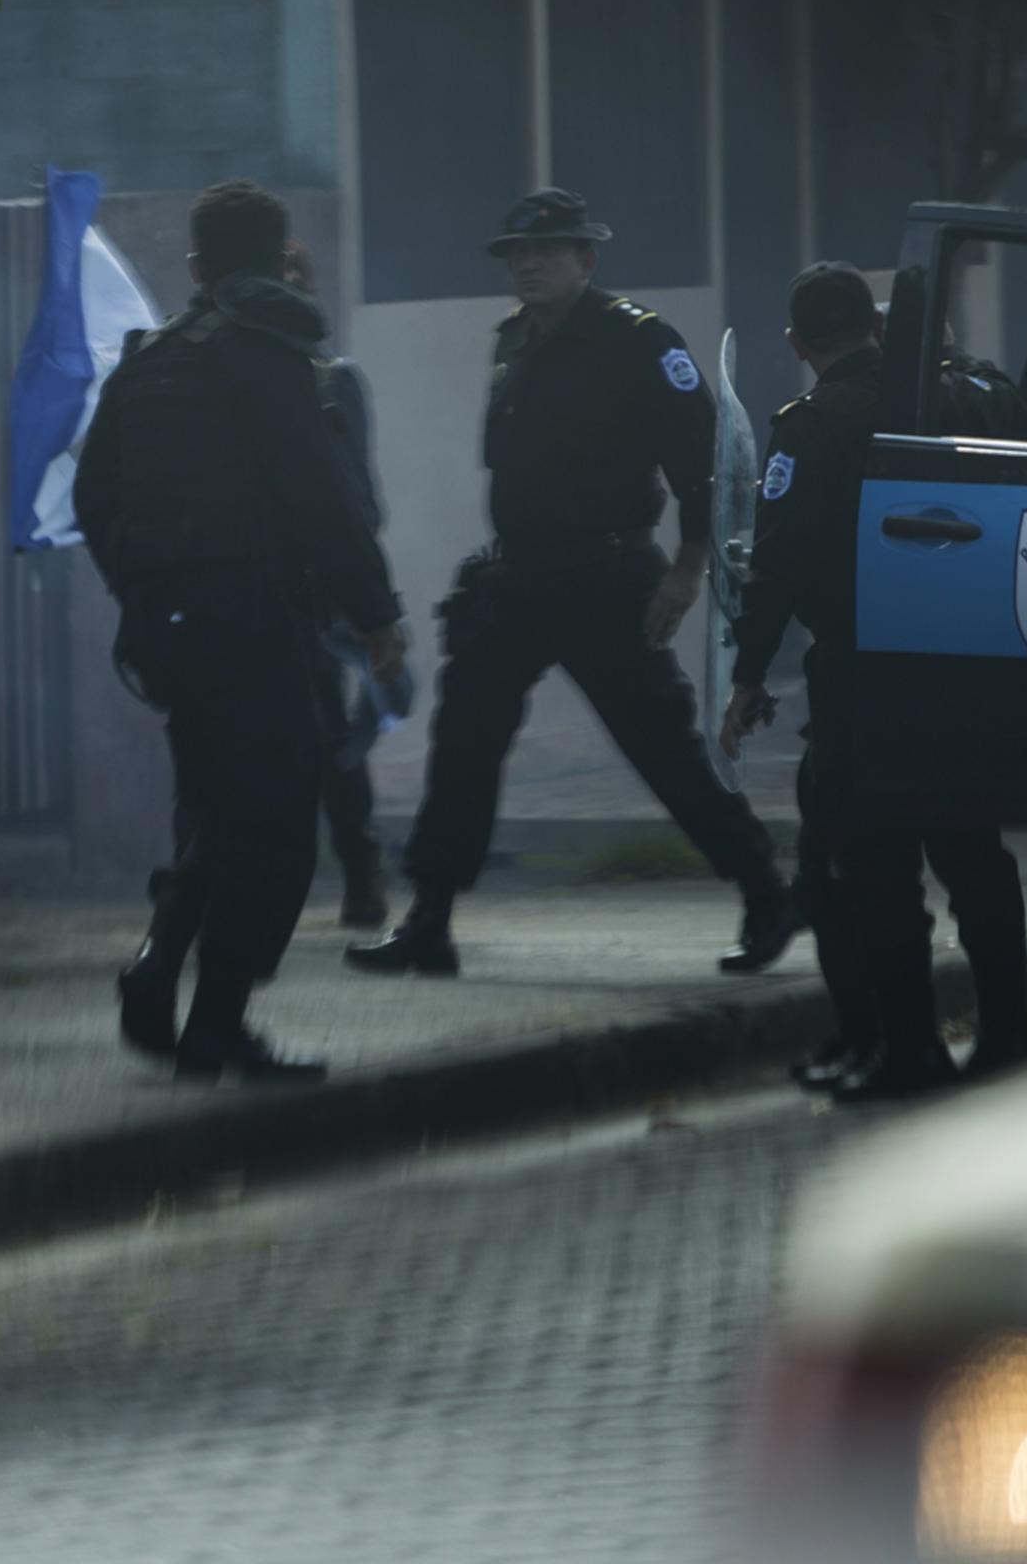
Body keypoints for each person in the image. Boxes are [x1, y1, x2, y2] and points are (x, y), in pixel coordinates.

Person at [348, 188, 798, 981]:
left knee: (663, 750)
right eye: (517, 253)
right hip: (518, 579)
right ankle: (431, 918)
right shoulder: (512, 341)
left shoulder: (638, 341)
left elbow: (702, 465)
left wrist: (689, 570)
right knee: (464, 746)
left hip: (609, 578)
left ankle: (765, 888)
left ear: (586, 260)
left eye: (547, 251)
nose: (527, 264)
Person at [77, 181, 407, 1084]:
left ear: (194, 269)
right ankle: (217, 1025)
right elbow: (324, 501)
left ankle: (156, 970)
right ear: (277, 257)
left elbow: (92, 496)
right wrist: (379, 617)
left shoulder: (149, 359)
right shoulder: (270, 351)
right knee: (275, 829)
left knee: (218, 812)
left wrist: (143, 590)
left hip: (168, 633)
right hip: (258, 626)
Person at [718, 262, 1027, 1102]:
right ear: (875, 324)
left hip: (868, 673)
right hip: (969, 659)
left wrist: (747, 674)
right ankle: (1009, 1037)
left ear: (796, 343)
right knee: (974, 853)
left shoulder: (814, 424)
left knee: (878, 867)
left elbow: (779, 565)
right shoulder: (973, 394)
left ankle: (912, 1052)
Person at [143, 238, 395, 936]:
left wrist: (362, 600)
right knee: (211, 745)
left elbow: (355, 501)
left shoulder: (326, 377)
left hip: (305, 593)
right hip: (234, 590)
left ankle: (359, 871)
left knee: (327, 741)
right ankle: (195, 887)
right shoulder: (205, 367)